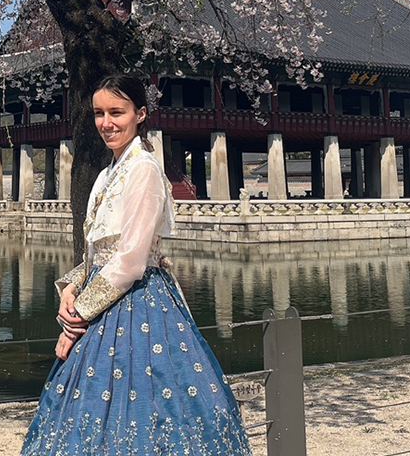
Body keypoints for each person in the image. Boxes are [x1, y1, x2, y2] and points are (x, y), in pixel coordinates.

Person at [21, 75, 251, 456]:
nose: (106, 123)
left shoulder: (143, 169)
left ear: (140, 115)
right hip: (103, 296)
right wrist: (71, 290)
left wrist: (78, 315)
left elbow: (131, 258)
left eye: (117, 112)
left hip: (138, 299)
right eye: (99, 113)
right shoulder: (106, 174)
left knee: (148, 401)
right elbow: (96, 255)